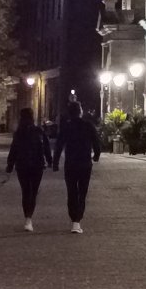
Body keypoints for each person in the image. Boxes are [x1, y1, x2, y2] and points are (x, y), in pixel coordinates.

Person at [52, 99, 101, 234]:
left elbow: (59, 145)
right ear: (80, 112)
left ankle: (74, 218)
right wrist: (96, 156)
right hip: (85, 163)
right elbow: (96, 143)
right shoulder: (88, 126)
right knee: (82, 192)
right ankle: (77, 221)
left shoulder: (66, 127)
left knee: (72, 191)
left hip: (71, 163)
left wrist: (55, 163)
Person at [6, 107, 52, 232]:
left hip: (22, 165)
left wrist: (10, 165)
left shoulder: (19, 133)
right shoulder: (39, 131)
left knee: (26, 191)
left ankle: (28, 218)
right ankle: (29, 217)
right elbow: (46, 147)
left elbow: (13, 150)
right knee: (33, 191)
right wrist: (51, 161)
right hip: (37, 165)